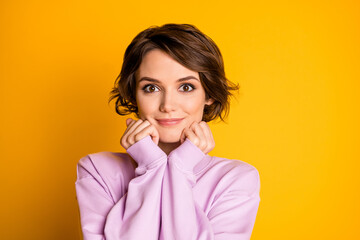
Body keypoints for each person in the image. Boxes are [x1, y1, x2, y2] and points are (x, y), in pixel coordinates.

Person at [75, 23, 260, 240]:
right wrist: (151, 167)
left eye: (186, 87)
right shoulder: (97, 171)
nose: (167, 105)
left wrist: (179, 167)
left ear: (209, 94)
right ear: (134, 95)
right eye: (151, 88)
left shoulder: (235, 179)